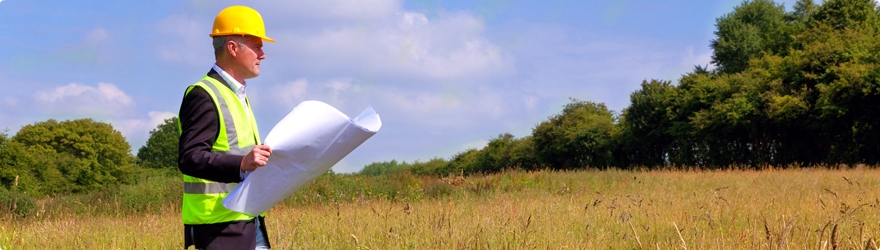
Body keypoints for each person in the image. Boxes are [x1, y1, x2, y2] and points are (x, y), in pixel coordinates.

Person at [177, 5, 274, 250]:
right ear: (232, 47)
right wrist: (241, 164)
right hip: (219, 228)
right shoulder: (204, 94)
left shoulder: (238, 95)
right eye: (257, 46)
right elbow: (190, 158)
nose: (262, 55)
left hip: (247, 221)